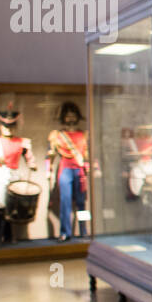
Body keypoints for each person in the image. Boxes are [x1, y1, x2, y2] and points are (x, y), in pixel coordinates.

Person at [0, 103, 36, 243]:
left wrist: (32, 164)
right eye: (5, 125)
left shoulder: (21, 142)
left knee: (13, 206)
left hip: (14, 174)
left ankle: (10, 236)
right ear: (0, 125)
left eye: (11, 126)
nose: (8, 129)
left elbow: (29, 157)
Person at [46, 101, 88, 240]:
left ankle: (83, 230)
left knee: (82, 203)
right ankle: (65, 232)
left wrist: (92, 167)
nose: (70, 118)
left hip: (80, 170)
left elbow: (88, 154)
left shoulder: (84, 135)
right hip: (65, 169)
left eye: (73, 115)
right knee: (65, 201)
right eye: (68, 115)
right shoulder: (57, 135)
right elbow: (50, 154)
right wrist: (49, 170)